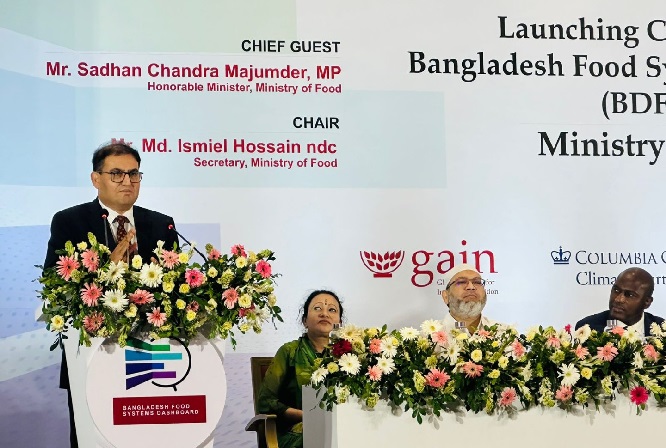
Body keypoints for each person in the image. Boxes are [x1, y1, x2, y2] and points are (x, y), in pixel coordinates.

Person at [43, 141, 178, 448]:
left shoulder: (162, 224)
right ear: (96, 179)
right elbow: (53, 280)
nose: (127, 181)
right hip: (92, 357)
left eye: (134, 174)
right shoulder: (70, 221)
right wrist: (106, 269)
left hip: (152, 359)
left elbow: (175, 286)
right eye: (116, 173)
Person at [256, 290, 343, 448]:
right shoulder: (289, 352)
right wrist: (307, 416)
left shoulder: (349, 357)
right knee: (324, 431)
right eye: (317, 308)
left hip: (341, 428)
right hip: (296, 432)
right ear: (305, 321)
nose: (325, 314)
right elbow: (265, 402)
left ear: (340, 323)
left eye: (332, 310)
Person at [575, 267, 664, 336]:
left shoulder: (663, 330)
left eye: (630, 295)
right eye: (616, 290)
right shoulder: (587, 328)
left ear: (647, 302)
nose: (618, 299)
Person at [440, 263, 495, 334]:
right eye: (461, 282)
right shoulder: (429, 335)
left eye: (477, 282)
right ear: (446, 297)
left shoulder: (504, 334)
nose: (471, 287)